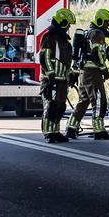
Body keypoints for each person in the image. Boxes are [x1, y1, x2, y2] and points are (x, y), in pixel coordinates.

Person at [66, 25, 109, 140]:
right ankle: (99, 131)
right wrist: (104, 70)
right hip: (93, 72)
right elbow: (98, 54)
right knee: (99, 100)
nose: (108, 25)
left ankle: (71, 128)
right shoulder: (98, 34)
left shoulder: (87, 34)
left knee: (83, 101)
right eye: (107, 22)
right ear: (101, 21)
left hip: (83, 73)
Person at [39, 8, 76, 143]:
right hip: (51, 79)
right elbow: (45, 57)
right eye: (68, 24)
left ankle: (56, 131)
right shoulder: (49, 37)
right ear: (62, 22)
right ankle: (49, 133)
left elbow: (67, 61)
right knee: (51, 105)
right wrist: (50, 74)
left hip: (62, 79)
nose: (68, 28)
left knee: (60, 106)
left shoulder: (65, 41)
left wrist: (71, 74)